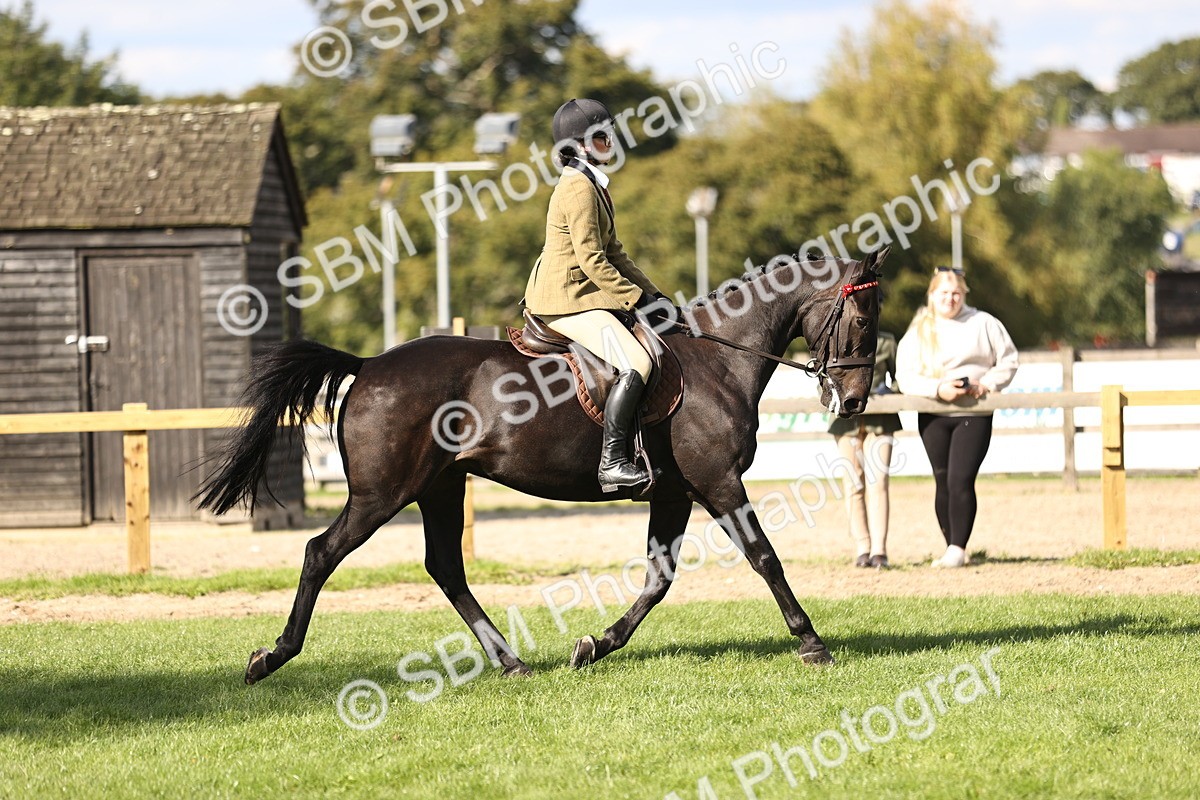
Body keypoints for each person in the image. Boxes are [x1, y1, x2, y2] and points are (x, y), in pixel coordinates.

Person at [523, 98, 670, 494]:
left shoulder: (592, 185)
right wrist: (635, 301)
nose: (612, 141)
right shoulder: (577, 189)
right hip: (564, 298)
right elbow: (592, 260)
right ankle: (613, 463)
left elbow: (616, 252)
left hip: (582, 292)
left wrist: (656, 296)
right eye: (604, 135)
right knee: (637, 361)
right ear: (582, 144)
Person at [896, 267, 1018, 568]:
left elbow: (1009, 360)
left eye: (956, 294)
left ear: (963, 295)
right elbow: (906, 376)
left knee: (960, 479)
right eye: (944, 293)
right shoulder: (917, 331)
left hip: (973, 412)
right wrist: (938, 388)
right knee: (942, 480)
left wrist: (986, 384)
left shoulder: (984, 323)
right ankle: (952, 545)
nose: (950, 299)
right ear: (932, 295)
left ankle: (957, 548)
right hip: (934, 413)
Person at [828, 329, 902, 569]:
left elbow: (900, 378)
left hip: (881, 418)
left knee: (879, 481)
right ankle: (863, 547)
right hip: (845, 420)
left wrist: (888, 392)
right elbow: (824, 380)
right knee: (853, 482)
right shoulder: (833, 339)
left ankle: (880, 550)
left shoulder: (886, 342)